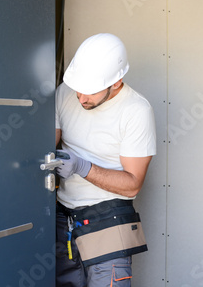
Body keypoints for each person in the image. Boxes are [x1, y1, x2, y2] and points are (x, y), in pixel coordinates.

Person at [55, 33, 156, 287]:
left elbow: (133, 184)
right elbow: (45, 146)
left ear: (116, 82)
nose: (80, 97)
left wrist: (82, 167)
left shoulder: (136, 110)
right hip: (63, 220)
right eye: (78, 88)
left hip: (108, 221)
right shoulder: (66, 93)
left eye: (89, 92)